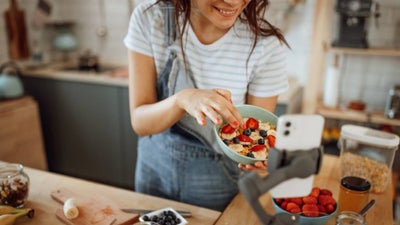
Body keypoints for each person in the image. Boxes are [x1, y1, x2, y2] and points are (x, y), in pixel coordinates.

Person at [124, 0, 289, 211]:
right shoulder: (150, 19)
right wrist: (182, 100)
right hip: (154, 171)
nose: (233, 2)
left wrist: (259, 162)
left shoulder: (266, 46)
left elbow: (257, 135)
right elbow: (140, 122)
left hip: (218, 181)